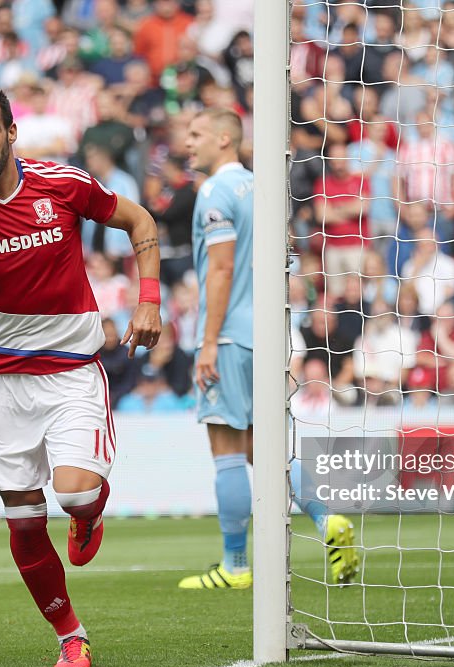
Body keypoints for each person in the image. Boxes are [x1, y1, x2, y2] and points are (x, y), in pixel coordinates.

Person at [0, 81, 162, 667]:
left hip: (69, 372)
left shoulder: (62, 183)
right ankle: (70, 635)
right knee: (25, 519)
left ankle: (88, 514)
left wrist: (149, 299)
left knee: (75, 492)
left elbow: (139, 219)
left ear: (11, 133)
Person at [179, 108, 359, 590]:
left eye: (195, 134)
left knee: (226, 448)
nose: (186, 143)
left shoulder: (215, 192)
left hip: (232, 335)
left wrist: (210, 341)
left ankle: (235, 565)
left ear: (224, 138)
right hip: (269, 333)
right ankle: (327, 521)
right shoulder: (261, 187)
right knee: (268, 449)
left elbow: (220, 269)